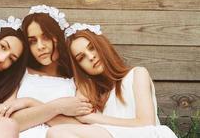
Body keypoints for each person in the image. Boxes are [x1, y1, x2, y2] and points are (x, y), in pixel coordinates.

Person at [46, 23, 178, 138]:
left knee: (57, 132)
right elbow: (69, 123)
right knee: (56, 132)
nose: (91, 57)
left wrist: (93, 119)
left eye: (92, 48)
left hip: (146, 135)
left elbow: (146, 123)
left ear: (102, 45)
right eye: (82, 58)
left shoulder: (137, 74)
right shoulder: (93, 95)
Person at [0, 5, 93, 138]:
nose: (40, 46)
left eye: (46, 37)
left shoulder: (78, 81)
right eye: (33, 41)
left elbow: (81, 129)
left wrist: (29, 103)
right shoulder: (20, 74)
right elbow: (6, 121)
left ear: (58, 36)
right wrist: (58, 107)